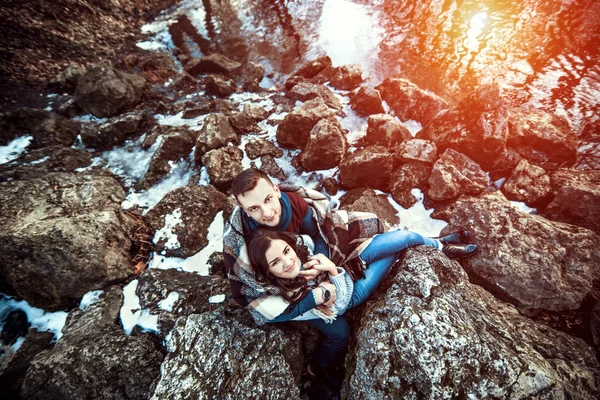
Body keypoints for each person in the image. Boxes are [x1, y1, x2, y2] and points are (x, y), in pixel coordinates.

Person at [223, 168, 477, 371]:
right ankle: (320, 369)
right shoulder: (245, 244)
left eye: (268, 199)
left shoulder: (293, 203)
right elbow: (251, 296)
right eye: (253, 209)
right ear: (244, 210)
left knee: (402, 238)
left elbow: (320, 233)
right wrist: (312, 293)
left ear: (277, 190)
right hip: (293, 289)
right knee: (340, 333)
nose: (266, 213)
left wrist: (321, 262)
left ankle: (440, 245)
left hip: (323, 261)